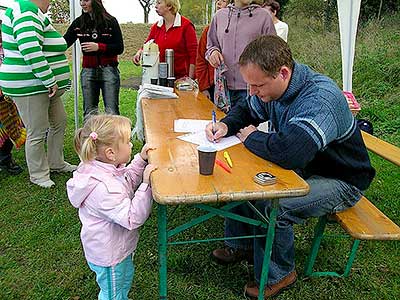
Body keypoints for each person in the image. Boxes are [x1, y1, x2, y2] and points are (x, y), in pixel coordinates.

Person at [205, 35, 375, 298]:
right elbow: (246, 110)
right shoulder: (273, 85)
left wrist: (252, 137)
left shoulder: (320, 99)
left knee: (275, 205)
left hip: (343, 179)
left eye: (257, 85)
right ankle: (241, 245)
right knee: (242, 178)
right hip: (308, 167)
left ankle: (280, 274)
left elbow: (291, 153)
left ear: (283, 73)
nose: (252, 92)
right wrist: (226, 124)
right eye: (250, 85)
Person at [66, 115, 157, 300]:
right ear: (110, 153)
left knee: (123, 280)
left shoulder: (105, 168)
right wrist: (146, 185)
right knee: (112, 292)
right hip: (110, 254)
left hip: (118, 247)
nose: (132, 145)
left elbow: (126, 180)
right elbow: (132, 218)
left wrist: (140, 159)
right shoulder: (104, 189)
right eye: (128, 142)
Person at [0, 0, 75, 188]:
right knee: (37, 130)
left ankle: (55, 162)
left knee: (59, 122)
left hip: (41, 85)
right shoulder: (25, 11)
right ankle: (39, 174)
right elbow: (30, 49)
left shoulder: (30, 11)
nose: (50, 2)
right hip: (31, 85)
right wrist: (50, 79)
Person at [206, 0, 276, 109]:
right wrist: (213, 53)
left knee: (245, 125)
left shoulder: (263, 16)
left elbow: (273, 50)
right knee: (223, 124)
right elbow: (211, 46)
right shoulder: (219, 16)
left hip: (251, 89)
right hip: (223, 89)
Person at [64, 0, 124, 118]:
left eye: (86, 0)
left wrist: (99, 47)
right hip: (88, 71)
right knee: (89, 112)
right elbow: (64, 42)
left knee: (112, 111)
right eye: (80, 0)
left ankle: (113, 136)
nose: (82, 3)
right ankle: (90, 136)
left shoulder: (111, 22)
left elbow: (119, 47)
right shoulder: (78, 23)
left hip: (109, 70)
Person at [132, 0, 198, 79]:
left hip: (182, 79)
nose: (156, 6)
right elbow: (147, 44)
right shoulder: (156, 27)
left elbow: (194, 54)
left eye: (159, 3)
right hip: (160, 77)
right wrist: (139, 53)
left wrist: (190, 79)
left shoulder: (186, 26)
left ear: (169, 6)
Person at [195, 0, 230, 100]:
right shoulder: (208, 30)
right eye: (217, 0)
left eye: (223, 0)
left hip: (236, 88)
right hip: (213, 87)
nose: (218, 3)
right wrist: (204, 87)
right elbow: (201, 60)